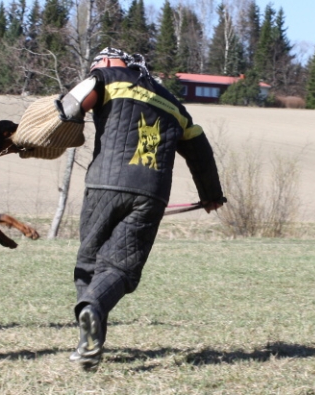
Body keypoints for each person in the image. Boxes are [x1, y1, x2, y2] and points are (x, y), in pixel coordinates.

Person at [58, 47, 225, 371]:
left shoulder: (105, 78)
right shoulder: (172, 103)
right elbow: (199, 147)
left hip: (105, 185)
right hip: (151, 193)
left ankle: (88, 327)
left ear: (108, 63)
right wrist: (211, 195)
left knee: (90, 263)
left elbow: (70, 104)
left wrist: (56, 125)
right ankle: (91, 334)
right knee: (120, 267)